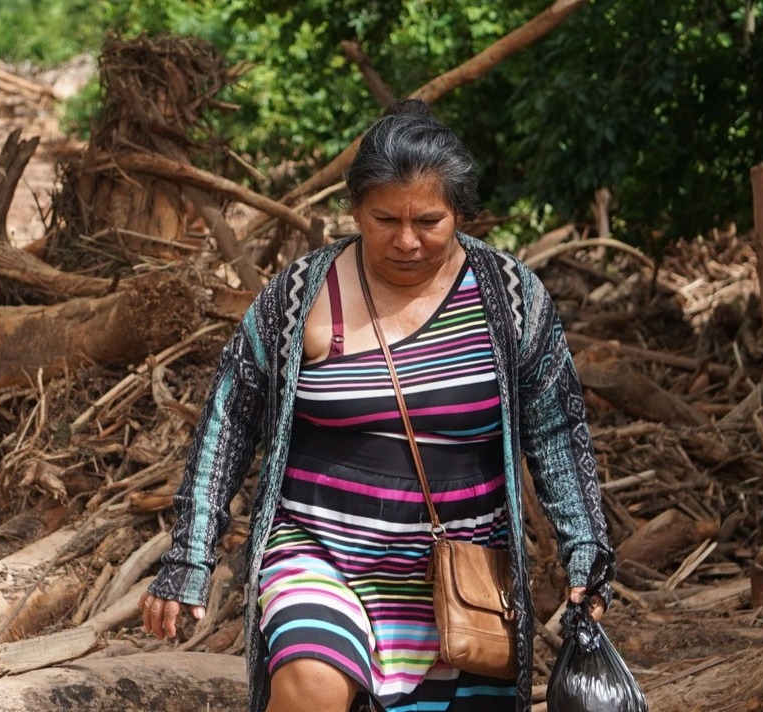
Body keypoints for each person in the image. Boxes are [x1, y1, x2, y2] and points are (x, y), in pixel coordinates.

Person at [139, 99, 614, 712]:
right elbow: (228, 418)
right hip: (320, 552)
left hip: (460, 576)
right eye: (385, 219)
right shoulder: (300, 296)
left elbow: (554, 428)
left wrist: (585, 550)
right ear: (355, 209)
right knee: (308, 680)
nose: (407, 240)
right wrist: (189, 556)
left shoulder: (512, 298)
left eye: (429, 221)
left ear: (462, 214)